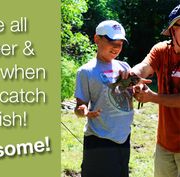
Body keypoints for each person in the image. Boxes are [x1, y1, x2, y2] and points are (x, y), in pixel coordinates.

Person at [74, 20, 133, 177]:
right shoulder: (86, 71)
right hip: (99, 139)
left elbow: (131, 94)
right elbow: (80, 107)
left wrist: (140, 88)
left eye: (120, 43)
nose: (116, 47)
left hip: (123, 137)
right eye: (111, 41)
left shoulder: (125, 67)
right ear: (97, 39)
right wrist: (84, 111)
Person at [131, 4, 180, 177]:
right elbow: (144, 66)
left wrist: (151, 97)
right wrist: (133, 77)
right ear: (171, 30)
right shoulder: (160, 50)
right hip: (164, 144)